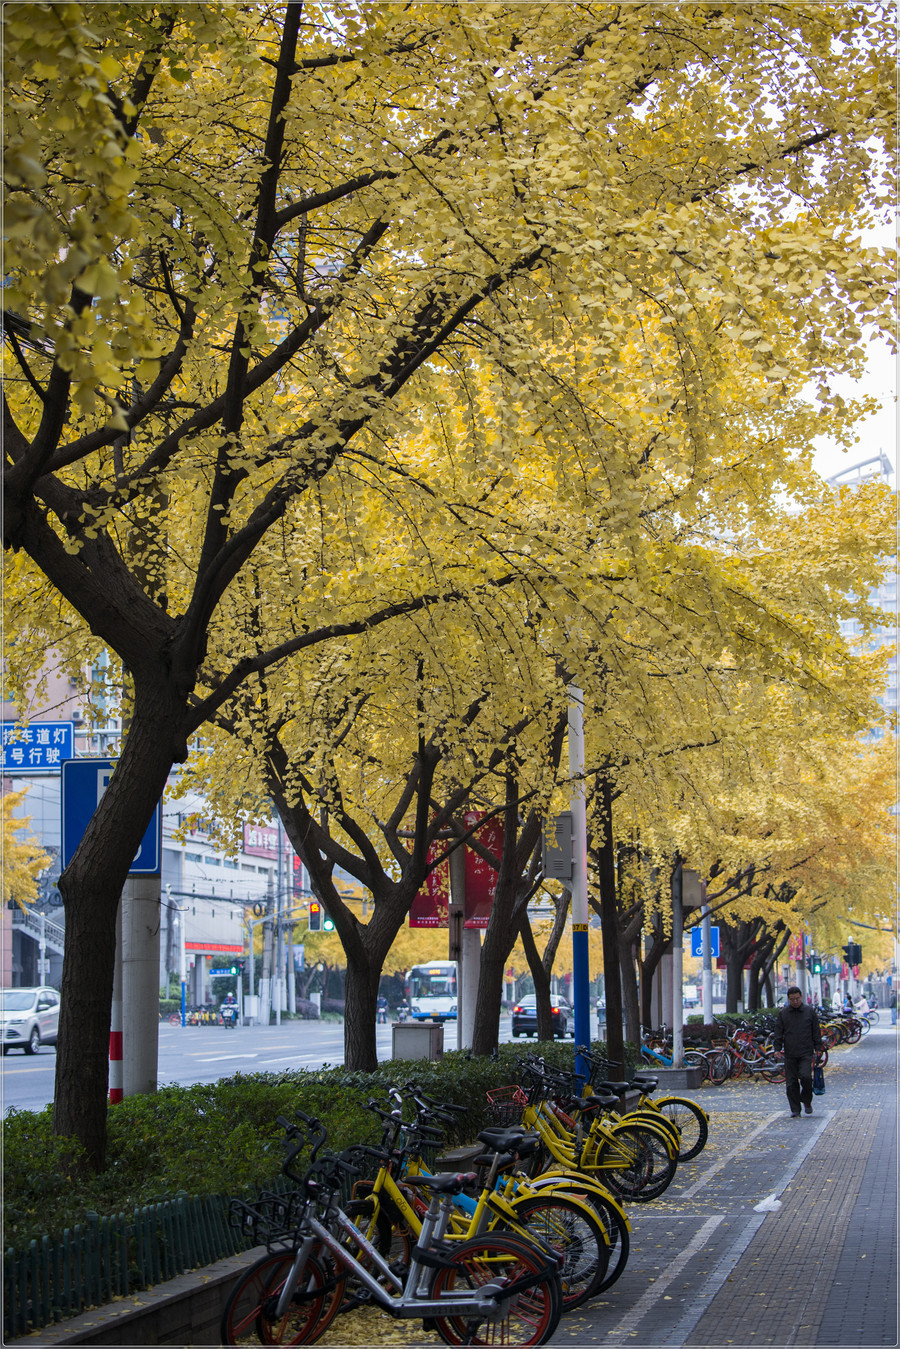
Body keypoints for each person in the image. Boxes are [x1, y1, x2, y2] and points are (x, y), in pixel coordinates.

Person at [773, 985, 823, 1118]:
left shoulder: (809, 1011)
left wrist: (818, 1048)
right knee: (791, 1083)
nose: (795, 1001)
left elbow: (816, 1031)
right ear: (788, 999)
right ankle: (795, 1108)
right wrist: (777, 1049)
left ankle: (806, 1100)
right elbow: (778, 1032)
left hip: (806, 1052)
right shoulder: (784, 1013)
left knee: (806, 1077)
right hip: (790, 1053)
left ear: (801, 997)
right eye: (792, 999)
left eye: (797, 998)